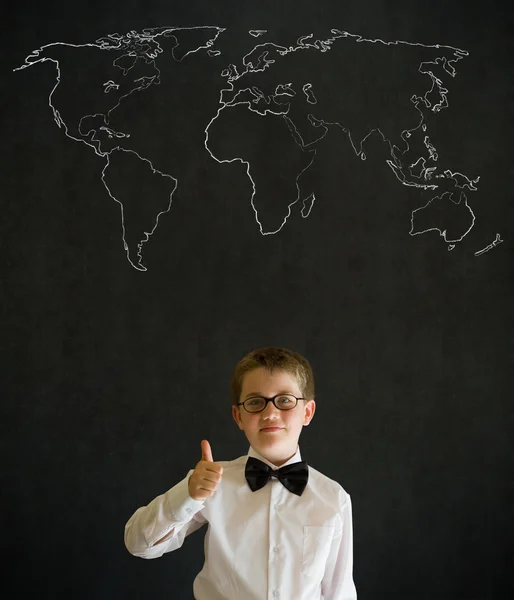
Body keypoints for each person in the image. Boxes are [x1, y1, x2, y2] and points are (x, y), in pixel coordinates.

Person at [124, 347, 357, 599]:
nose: (270, 413)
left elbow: (339, 592)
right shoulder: (211, 481)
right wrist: (188, 494)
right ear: (238, 416)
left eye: (285, 400)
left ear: (307, 412)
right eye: (256, 402)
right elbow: (138, 544)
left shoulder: (334, 498)